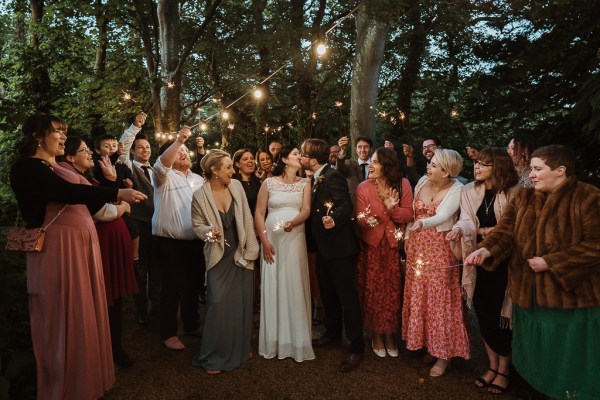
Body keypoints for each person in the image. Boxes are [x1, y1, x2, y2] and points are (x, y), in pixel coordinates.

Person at [9, 113, 146, 399]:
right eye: (57, 131)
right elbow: (66, 192)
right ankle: (67, 386)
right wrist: (117, 193)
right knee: (66, 312)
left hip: (76, 249)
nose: (62, 136)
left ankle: (85, 381)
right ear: (37, 135)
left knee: (83, 309)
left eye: (64, 131)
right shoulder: (28, 168)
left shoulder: (49, 166)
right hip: (59, 251)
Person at [465, 145, 600, 399]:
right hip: (529, 293)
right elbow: (505, 233)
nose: (532, 174)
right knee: (537, 350)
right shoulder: (523, 198)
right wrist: (485, 251)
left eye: (538, 169)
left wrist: (552, 262)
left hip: (570, 297)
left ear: (560, 171)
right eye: (532, 169)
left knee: (567, 353)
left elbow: (596, 244)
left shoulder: (588, 197)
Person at [61, 136, 139, 368]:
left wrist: (112, 182)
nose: (90, 154)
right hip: (100, 247)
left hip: (113, 245)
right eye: (84, 150)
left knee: (114, 300)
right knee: (104, 299)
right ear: (70, 157)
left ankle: (114, 346)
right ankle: (104, 348)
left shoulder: (91, 179)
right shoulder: (76, 183)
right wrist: (123, 206)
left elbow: (109, 198)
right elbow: (102, 212)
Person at [446, 147, 519, 393]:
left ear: (498, 166)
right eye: (477, 163)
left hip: (503, 261)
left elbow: (511, 228)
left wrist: (486, 233)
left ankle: (504, 370)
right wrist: (459, 228)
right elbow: (467, 219)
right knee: (483, 312)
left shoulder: (515, 192)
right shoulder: (470, 190)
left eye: (484, 164)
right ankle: (491, 365)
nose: (477, 167)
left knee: (501, 316)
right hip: (476, 260)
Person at [191, 149, 260, 374]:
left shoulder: (237, 187)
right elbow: (196, 225)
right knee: (218, 304)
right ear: (214, 170)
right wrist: (209, 232)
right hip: (218, 255)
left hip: (240, 253)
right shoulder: (199, 196)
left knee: (241, 304)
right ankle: (213, 355)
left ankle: (239, 349)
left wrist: (250, 250)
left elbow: (247, 220)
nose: (233, 171)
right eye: (228, 167)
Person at [402, 148, 469, 377]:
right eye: (429, 164)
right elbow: (413, 215)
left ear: (447, 171)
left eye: (433, 165)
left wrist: (423, 224)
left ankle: (444, 355)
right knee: (421, 296)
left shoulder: (457, 188)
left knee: (440, 301)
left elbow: (442, 216)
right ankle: (429, 343)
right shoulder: (422, 181)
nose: (428, 167)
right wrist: (410, 235)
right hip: (418, 248)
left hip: (440, 248)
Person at [300, 138, 365, 372]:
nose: (300, 157)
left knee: (347, 298)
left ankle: (357, 346)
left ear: (313, 159)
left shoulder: (333, 176)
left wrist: (334, 218)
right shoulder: (315, 177)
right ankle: (333, 334)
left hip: (341, 248)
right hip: (323, 247)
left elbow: (346, 205)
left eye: (303, 154)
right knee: (328, 294)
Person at [254, 146, 315, 362]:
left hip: (295, 236)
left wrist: (293, 222)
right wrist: (264, 240)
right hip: (272, 240)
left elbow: (306, 209)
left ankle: (297, 341)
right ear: (285, 160)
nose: (300, 157)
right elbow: (259, 213)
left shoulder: (305, 183)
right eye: (296, 154)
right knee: (274, 284)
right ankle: (274, 340)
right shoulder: (268, 183)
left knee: (294, 282)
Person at [355, 147, 413, 358]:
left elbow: (407, 215)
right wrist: (366, 221)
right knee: (372, 291)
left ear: (387, 165)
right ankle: (376, 334)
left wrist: (392, 209)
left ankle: (391, 335)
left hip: (393, 247)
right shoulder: (363, 187)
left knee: (393, 292)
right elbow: (360, 215)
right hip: (371, 247)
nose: (370, 165)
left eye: (376, 162)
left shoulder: (402, 184)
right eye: (371, 161)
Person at [152, 127, 205, 351]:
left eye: (185, 150)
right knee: (171, 287)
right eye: (179, 150)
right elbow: (162, 164)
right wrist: (179, 140)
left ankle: (191, 324)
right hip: (169, 243)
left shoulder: (198, 179)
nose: (184, 153)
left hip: (195, 242)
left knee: (193, 285)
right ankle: (169, 332)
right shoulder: (163, 177)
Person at [118, 112, 161, 325]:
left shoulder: (156, 171)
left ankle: (157, 307)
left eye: (148, 147)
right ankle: (141, 309)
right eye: (141, 147)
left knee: (156, 268)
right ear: (134, 150)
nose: (145, 150)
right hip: (138, 225)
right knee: (140, 270)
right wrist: (134, 127)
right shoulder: (127, 167)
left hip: (157, 226)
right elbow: (122, 146)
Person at [232, 147, 262, 324]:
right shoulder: (233, 184)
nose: (251, 161)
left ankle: (255, 309)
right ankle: (241, 309)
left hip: (258, 232)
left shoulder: (258, 183)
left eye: (252, 158)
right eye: (245, 159)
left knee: (256, 273)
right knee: (242, 270)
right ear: (237, 164)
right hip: (239, 232)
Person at [335, 135, 373, 202]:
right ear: (356, 149)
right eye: (359, 147)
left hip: (373, 204)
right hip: (354, 204)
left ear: (371, 149)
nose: (363, 150)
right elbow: (340, 169)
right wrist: (343, 150)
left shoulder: (376, 165)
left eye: (366, 147)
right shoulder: (349, 164)